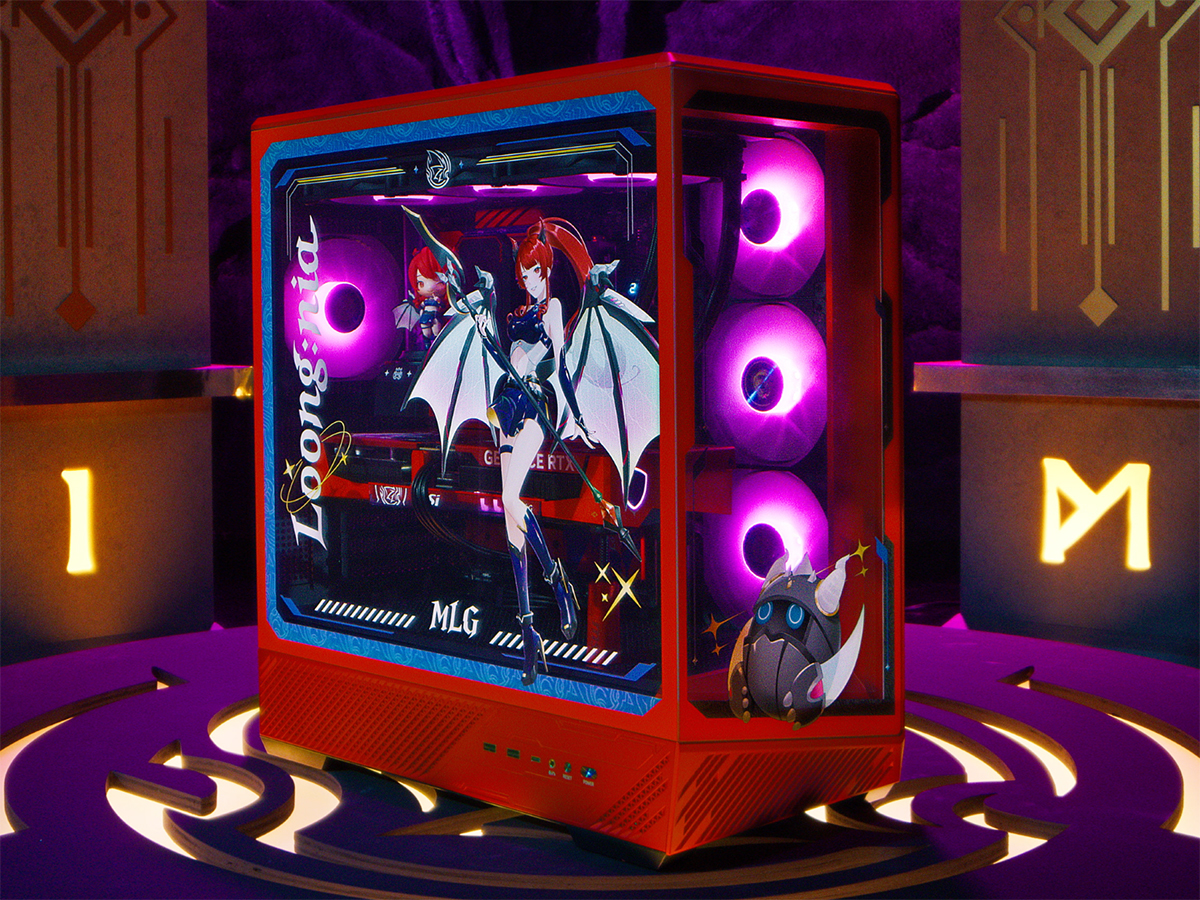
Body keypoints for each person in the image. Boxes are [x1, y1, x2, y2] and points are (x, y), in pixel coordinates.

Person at [490, 220, 598, 684]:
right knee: (509, 519)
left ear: (547, 270)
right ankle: (529, 635)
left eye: (534, 272)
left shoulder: (552, 307)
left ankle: (557, 581)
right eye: (524, 274)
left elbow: (563, 366)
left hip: (537, 404)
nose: (529, 280)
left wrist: (576, 415)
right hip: (506, 405)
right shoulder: (517, 311)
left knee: (511, 499)